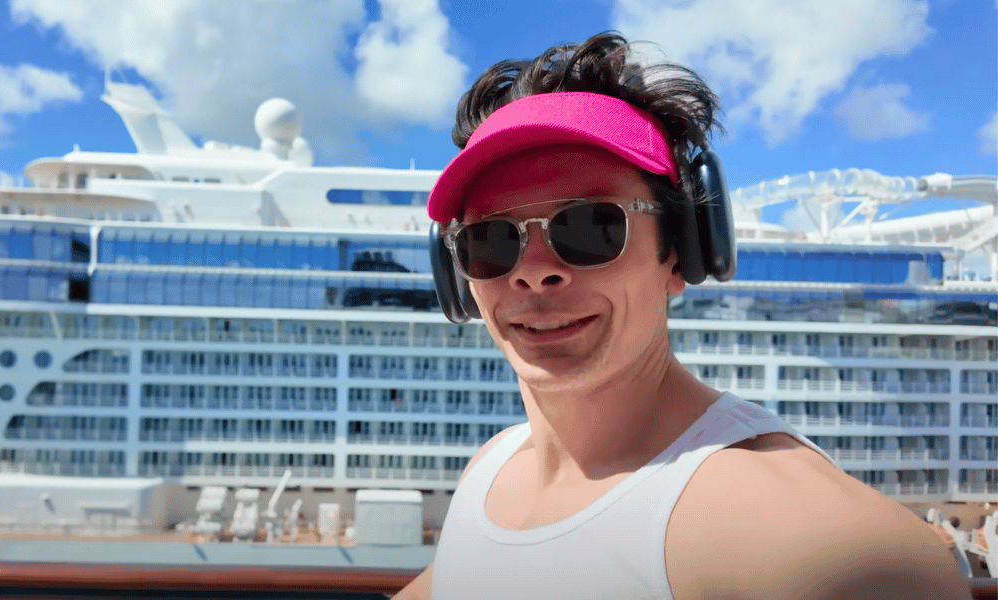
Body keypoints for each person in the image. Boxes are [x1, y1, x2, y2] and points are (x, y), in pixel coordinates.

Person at [394, 32, 971, 600]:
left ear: (680, 253)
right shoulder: (488, 473)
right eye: (490, 242)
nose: (534, 271)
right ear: (460, 280)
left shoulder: (790, 536)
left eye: (592, 226)